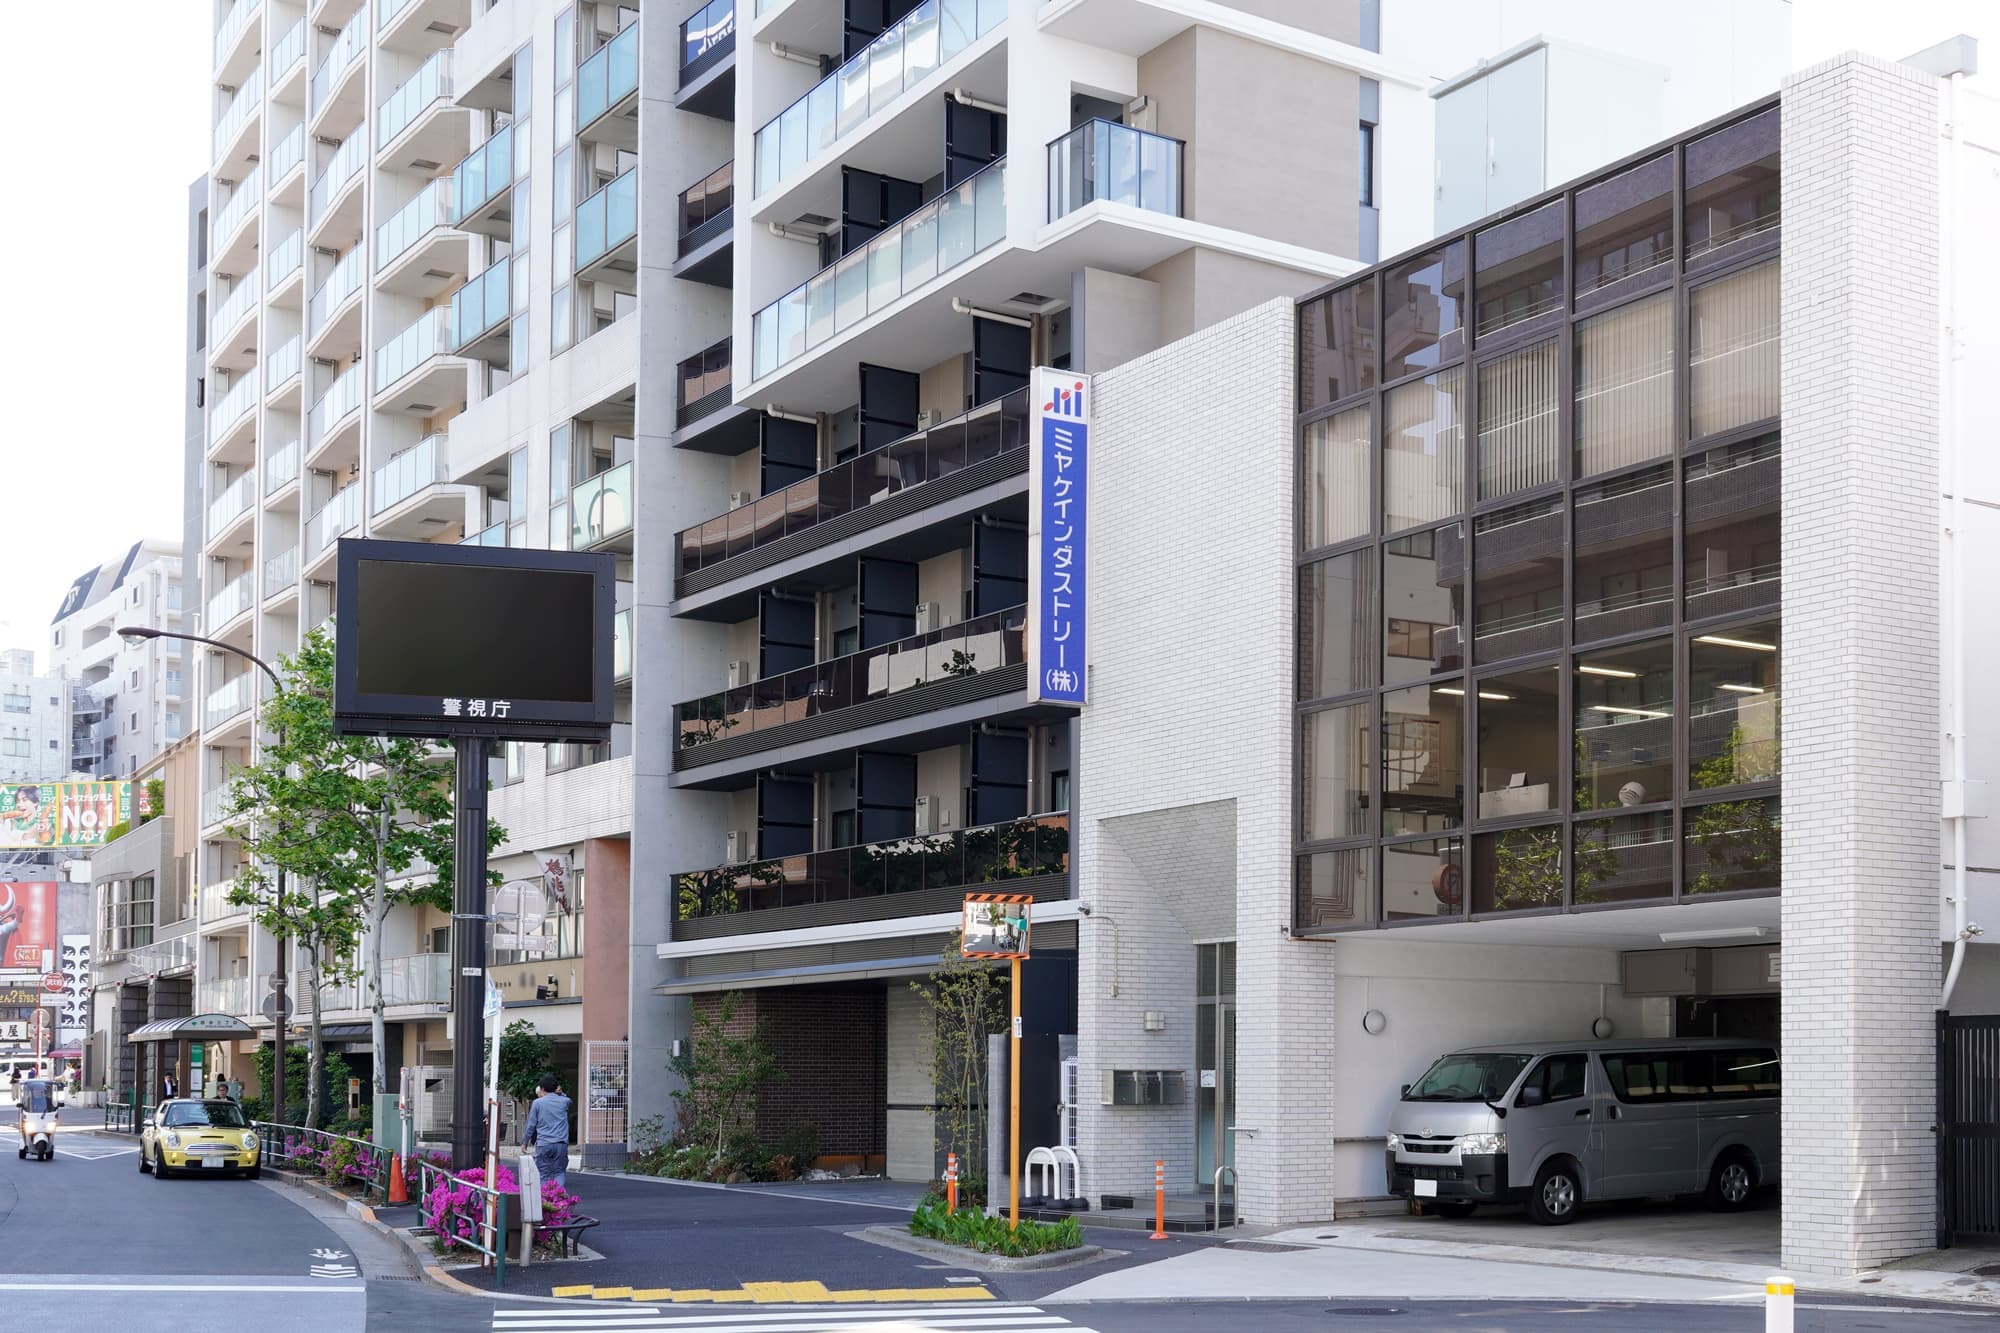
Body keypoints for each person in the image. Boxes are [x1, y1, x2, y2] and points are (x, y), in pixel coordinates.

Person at [520, 1074, 572, 1191]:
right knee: (559, 1172)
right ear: (556, 1088)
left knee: (543, 1174)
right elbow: (567, 1098)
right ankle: (558, 1197)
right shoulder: (565, 1101)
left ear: (542, 1089)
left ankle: (546, 1200)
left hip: (544, 1143)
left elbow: (531, 1124)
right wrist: (560, 1092)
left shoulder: (538, 1103)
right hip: (561, 1143)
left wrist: (525, 1142)